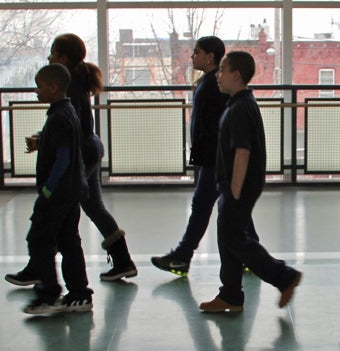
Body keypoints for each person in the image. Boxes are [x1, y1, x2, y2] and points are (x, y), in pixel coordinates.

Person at [198, 51, 302, 313]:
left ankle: (283, 276)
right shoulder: (238, 103)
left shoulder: (241, 108)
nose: (218, 76)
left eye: (222, 70)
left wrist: (234, 188)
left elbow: (242, 151)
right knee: (227, 237)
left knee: (234, 238)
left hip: (239, 186)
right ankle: (231, 295)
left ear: (236, 75)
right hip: (234, 185)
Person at [46, 33, 137, 282]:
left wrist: (45, 140)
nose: (50, 57)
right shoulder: (77, 80)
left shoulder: (70, 86)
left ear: (63, 57)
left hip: (81, 153)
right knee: (94, 207)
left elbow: (69, 124)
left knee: (59, 207)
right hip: (90, 148)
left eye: (53, 52)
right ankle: (123, 261)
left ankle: (40, 264)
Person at [6, 63, 92, 315]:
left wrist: (47, 192)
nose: (36, 90)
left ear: (54, 87)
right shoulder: (67, 112)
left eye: (40, 85)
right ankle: (79, 293)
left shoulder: (58, 118)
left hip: (58, 194)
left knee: (39, 240)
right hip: (72, 191)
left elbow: (63, 160)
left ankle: (49, 293)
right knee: (68, 242)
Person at [152, 36, 229, 276]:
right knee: (231, 207)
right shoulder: (208, 82)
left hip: (214, 158)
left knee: (202, 204)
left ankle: (182, 256)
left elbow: (217, 124)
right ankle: (249, 254)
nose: (192, 56)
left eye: (196, 52)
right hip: (213, 156)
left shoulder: (214, 85)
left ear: (210, 57)